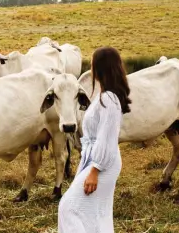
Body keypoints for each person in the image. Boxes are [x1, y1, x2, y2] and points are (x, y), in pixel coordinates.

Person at [58, 46, 131, 233]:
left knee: (69, 207)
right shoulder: (105, 96)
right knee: (96, 211)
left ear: (100, 68)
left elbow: (107, 137)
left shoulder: (109, 100)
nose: (91, 69)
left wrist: (95, 170)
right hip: (95, 159)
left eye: (93, 64)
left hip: (103, 163)